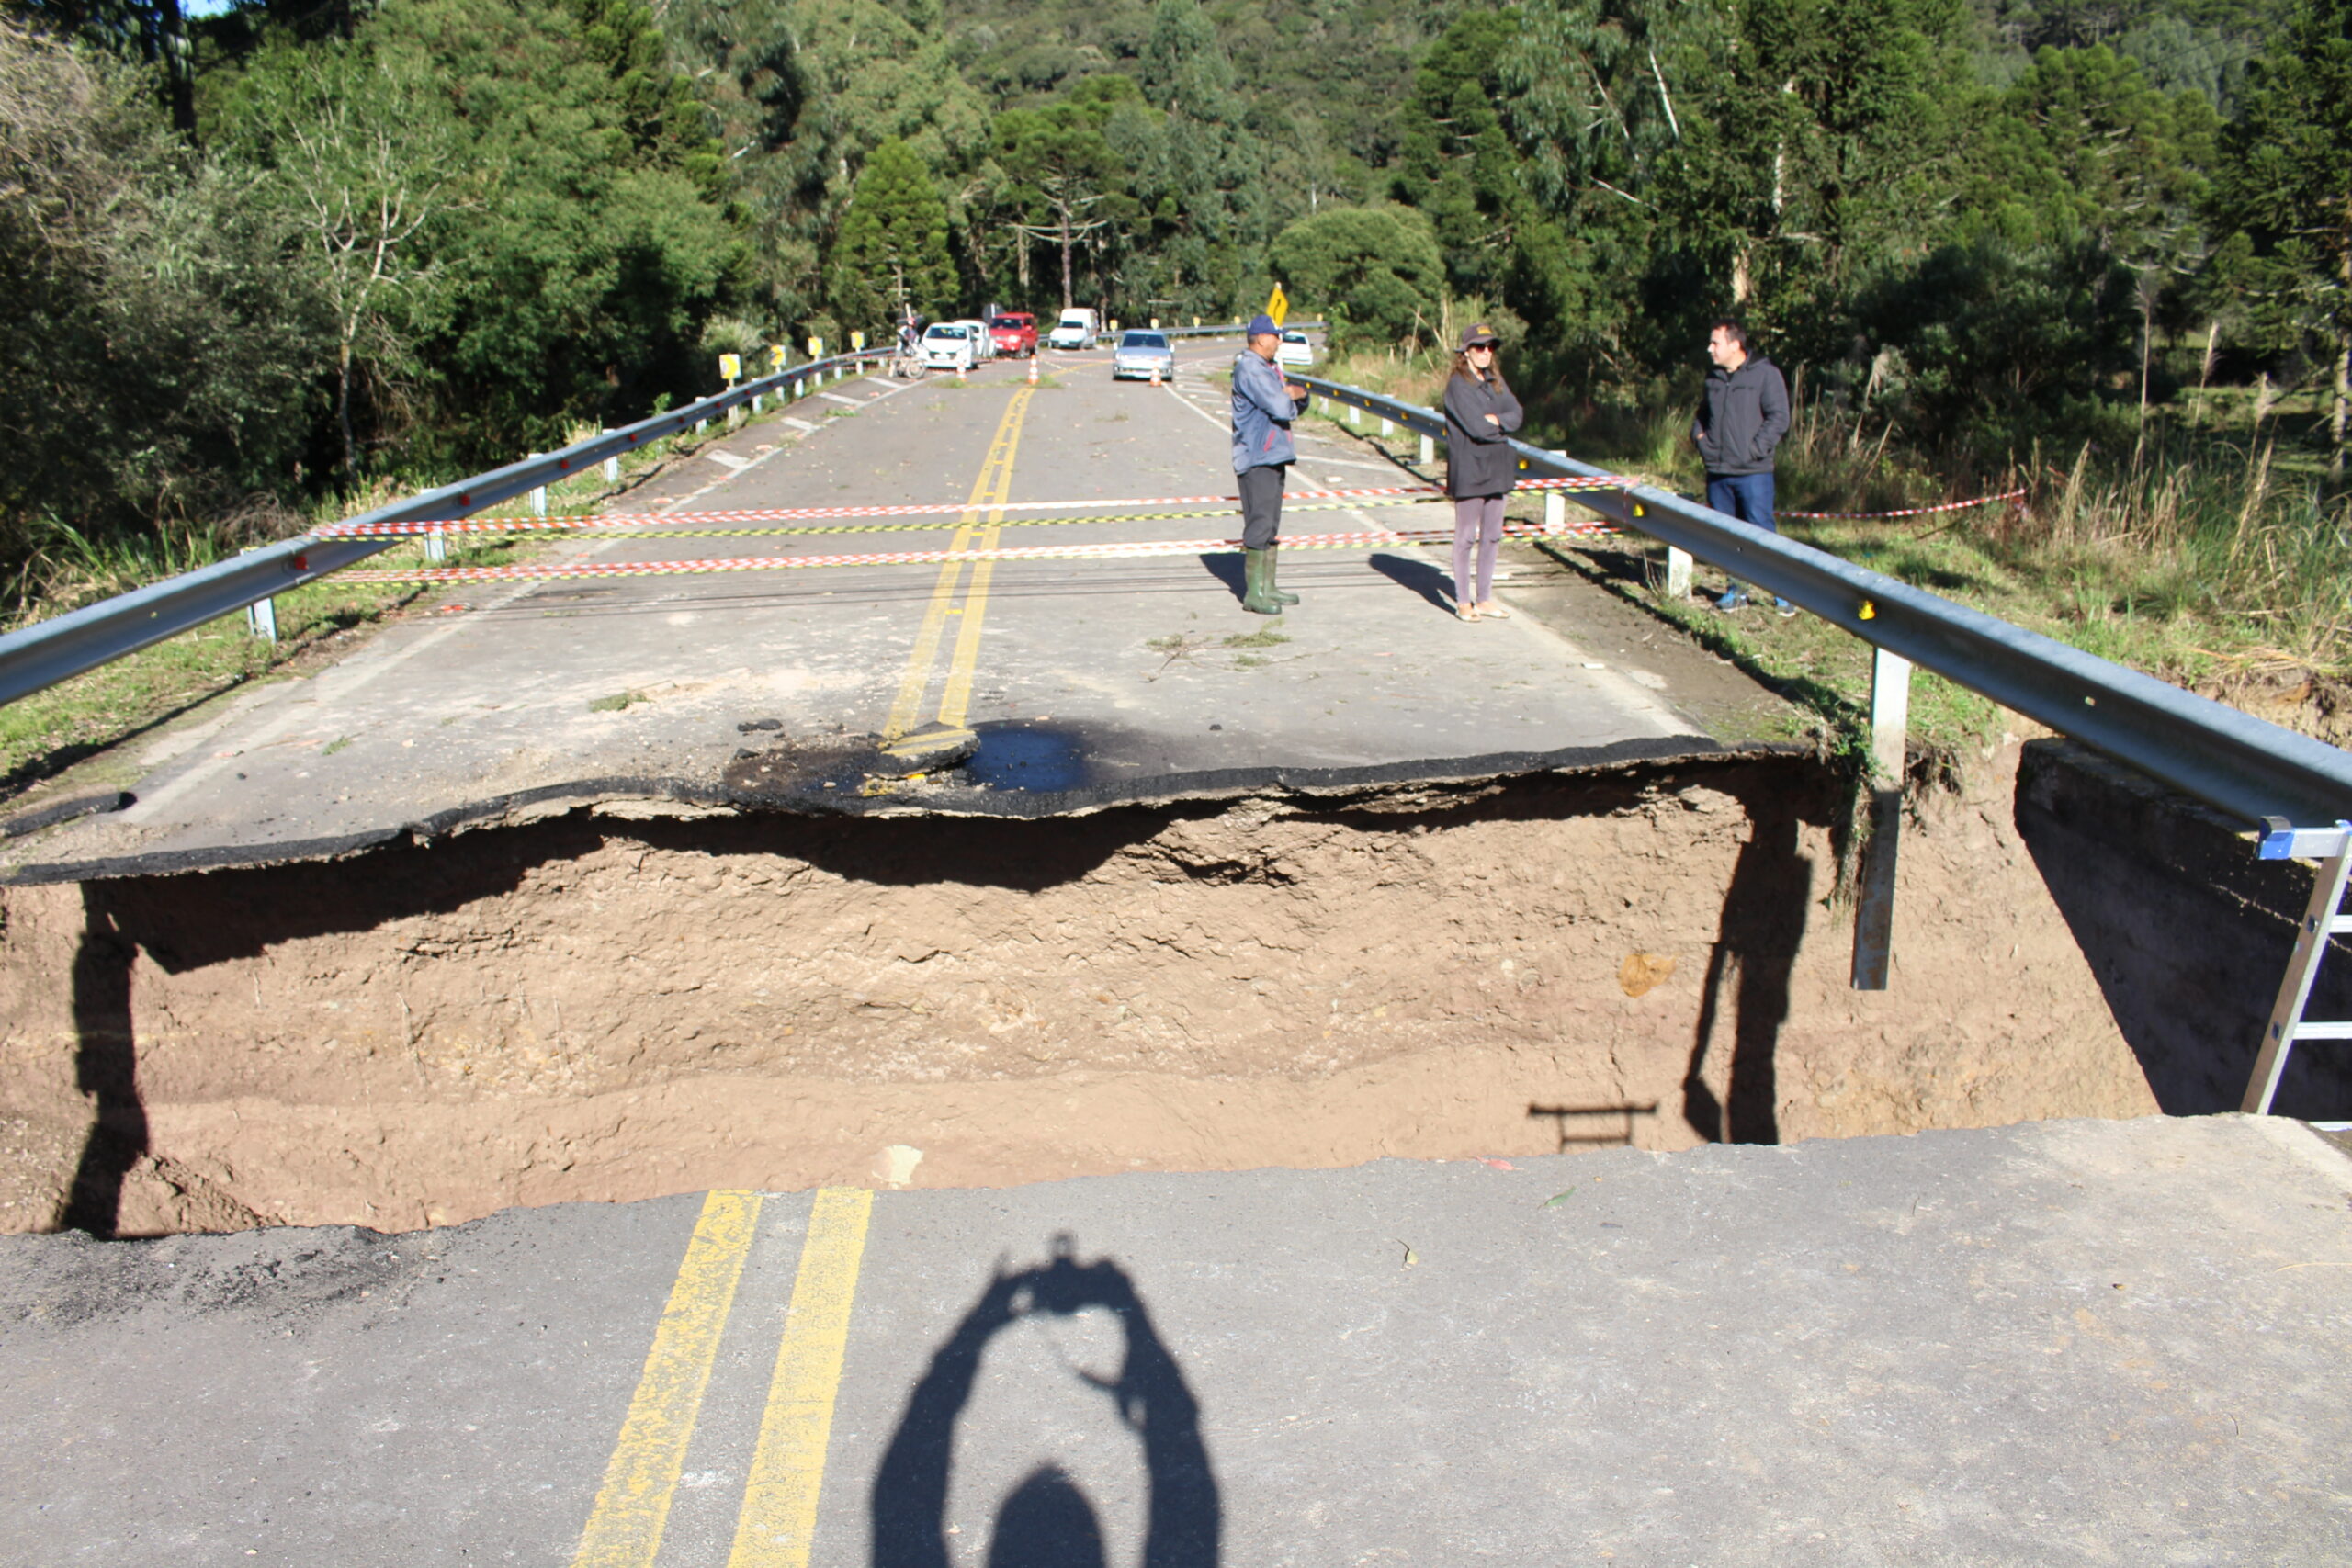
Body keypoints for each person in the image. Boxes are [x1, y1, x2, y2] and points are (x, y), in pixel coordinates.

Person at [1690, 318, 1794, 615]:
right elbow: (1702, 414)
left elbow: (1779, 418)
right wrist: (1701, 439)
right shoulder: (1713, 378)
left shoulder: (1766, 375)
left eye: (1715, 343)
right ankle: (1736, 591)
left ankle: (1782, 592)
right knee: (1728, 536)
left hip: (1753, 473)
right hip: (1718, 471)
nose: (1709, 348)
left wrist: (1755, 451)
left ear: (1735, 345)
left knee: (1761, 531)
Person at [1441, 322, 1524, 622]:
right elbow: (1477, 428)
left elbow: (1517, 414)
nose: (1486, 352)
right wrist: (1499, 425)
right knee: (1466, 537)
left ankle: (1485, 598)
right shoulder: (1458, 386)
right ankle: (1464, 601)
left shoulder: (1495, 381)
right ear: (1466, 351)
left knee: (1492, 535)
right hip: (1470, 469)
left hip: (1498, 467)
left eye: (1490, 347)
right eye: (1479, 347)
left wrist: (1497, 421)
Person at [1229, 312, 1309, 615]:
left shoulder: (1267, 368)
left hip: (1274, 454)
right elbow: (1280, 406)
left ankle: (1269, 586)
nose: (1279, 341)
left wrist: (1296, 394)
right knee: (1259, 523)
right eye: (1276, 336)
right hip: (1256, 456)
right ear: (1261, 338)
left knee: (1271, 523)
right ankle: (1255, 593)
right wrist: (1290, 395)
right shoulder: (1251, 368)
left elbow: (1293, 400)